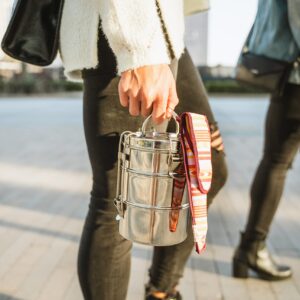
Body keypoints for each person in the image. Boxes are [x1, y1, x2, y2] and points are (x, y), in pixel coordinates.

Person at [59, 1, 227, 299]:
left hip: (164, 29)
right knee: (115, 199)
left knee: (207, 162)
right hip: (130, 28)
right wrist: (138, 50)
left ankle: (161, 291)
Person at [233, 0, 300, 281]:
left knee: (274, 161)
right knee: (276, 162)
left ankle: (249, 249)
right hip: (294, 74)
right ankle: (251, 249)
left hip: (289, 75)